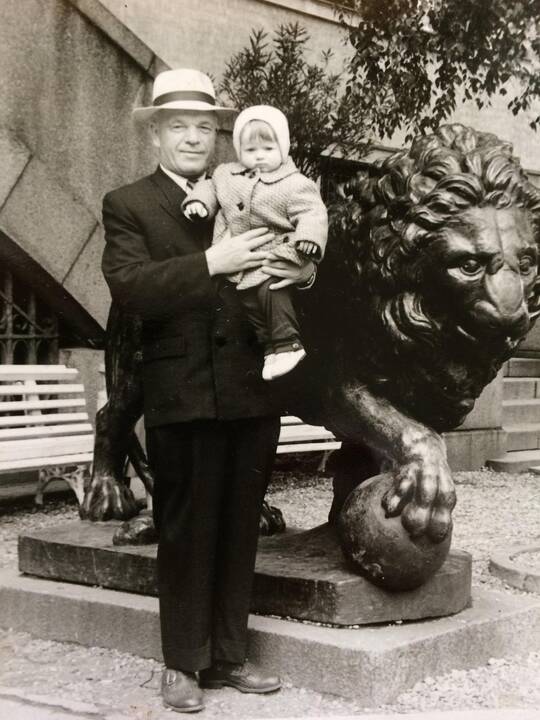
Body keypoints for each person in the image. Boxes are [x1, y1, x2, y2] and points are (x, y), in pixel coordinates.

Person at [100, 68, 317, 714]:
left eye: (204, 126)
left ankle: (228, 656)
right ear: (157, 135)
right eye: (179, 127)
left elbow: (296, 259)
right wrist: (210, 264)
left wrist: (300, 268)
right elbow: (131, 288)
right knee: (185, 528)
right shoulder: (128, 203)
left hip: (251, 388)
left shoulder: (249, 188)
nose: (193, 137)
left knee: (238, 527)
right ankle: (181, 664)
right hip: (181, 391)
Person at [183, 105, 328, 381]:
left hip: (277, 253)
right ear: (239, 150)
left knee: (272, 293)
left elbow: (312, 212)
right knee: (251, 304)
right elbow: (209, 188)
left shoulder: (295, 183)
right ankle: (271, 348)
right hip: (240, 269)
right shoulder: (226, 175)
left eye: (268, 149)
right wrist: (199, 202)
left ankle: (288, 344)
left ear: (283, 148)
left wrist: (308, 239)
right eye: (250, 150)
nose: (259, 156)